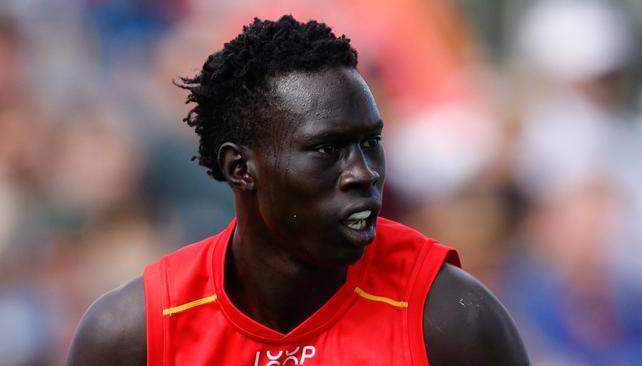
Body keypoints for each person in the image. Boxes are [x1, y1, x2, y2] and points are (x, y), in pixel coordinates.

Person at [65, 15, 529, 365]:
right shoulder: (133, 334)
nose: (363, 173)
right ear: (240, 168)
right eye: (328, 149)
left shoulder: (451, 320)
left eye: (371, 143)